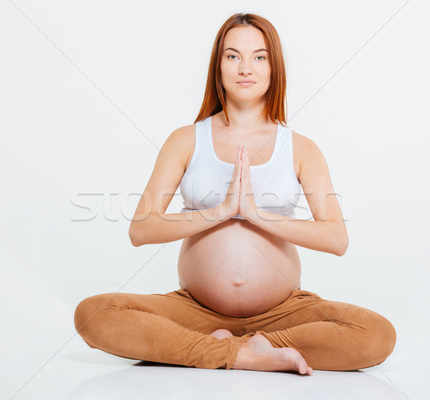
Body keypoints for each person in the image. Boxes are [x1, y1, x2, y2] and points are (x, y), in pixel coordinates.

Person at [74, 13, 396, 375]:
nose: (246, 67)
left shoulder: (301, 148)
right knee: (93, 314)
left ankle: (234, 349)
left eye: (259, 57)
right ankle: (243, 354)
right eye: (233, 56)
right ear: (218, 66)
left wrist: (257, 214)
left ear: (274, 68)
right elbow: (141, 229)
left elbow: (337, 238)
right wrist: (222, 210)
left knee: (376, 334)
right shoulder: (186, 140)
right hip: (196, 311)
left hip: (283, 314)